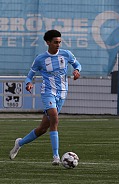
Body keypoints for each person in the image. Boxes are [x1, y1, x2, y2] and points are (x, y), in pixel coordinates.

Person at [9, 30, 82, 165]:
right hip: (48, 91)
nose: (58, 45)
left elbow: (77, 65)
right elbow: (29, 76)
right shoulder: (40, 59)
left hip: (62, 93)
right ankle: (56, 156)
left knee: (42, 129)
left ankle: (20, 143)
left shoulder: (66, 54)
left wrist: (77, 71)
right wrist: (29, 83)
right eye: (55, 42)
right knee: (54, 118)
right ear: (48, 42)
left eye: (59, 42)